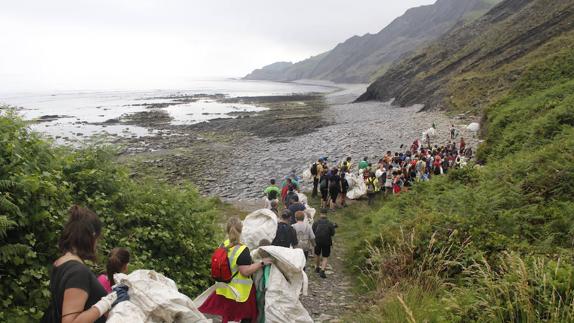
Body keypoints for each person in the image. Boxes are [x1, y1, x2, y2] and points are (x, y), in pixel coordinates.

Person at [43, 205, 129, 323]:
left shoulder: (60, 262)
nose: (97, 244)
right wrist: (106, 302)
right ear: (92, 236)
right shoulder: (78, 272)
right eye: (97, 239)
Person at [199, 217, 272, 323]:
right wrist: (261, 263)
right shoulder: (242, 249)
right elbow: (245, 271)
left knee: (228, 317)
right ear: (241, 230)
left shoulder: (223, 245)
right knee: (245, 318)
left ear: (227, 230)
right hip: (240, 293)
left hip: (224, 289)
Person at [312, 211, 336, 279]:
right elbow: (332, 234)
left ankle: (317, 267)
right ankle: (322, 270)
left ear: (320, 214)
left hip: (317, 241)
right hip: (327, 242)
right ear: (326, 214)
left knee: (317, 254)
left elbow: (312, 231)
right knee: (325, 257)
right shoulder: (330, 223)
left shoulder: (316, 223)